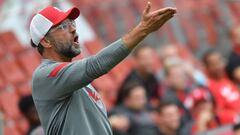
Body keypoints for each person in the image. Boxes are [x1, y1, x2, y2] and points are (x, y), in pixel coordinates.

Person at [29, 2, 177, 135]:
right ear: (46, 41)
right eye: (62, 26)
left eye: (71, 22)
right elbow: (96, 64)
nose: (73, 29)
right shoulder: (45, 75)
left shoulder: (75, 78)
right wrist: (143, 29)